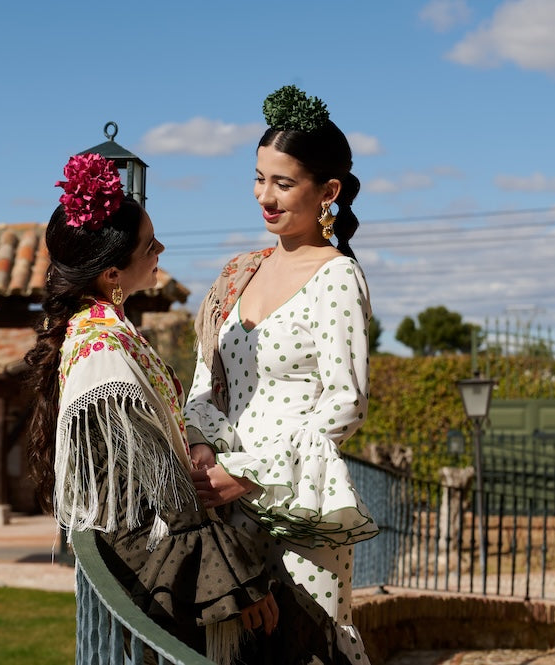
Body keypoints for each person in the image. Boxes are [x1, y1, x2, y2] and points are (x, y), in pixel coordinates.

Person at [24, 152, 347, 665]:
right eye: (150, 245)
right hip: (165, 580)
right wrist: (233, 587)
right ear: (112, 273)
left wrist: (197, 443)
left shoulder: (103, 335)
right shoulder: (103, 355)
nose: (161, 250)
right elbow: (141, 499)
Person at [184, 85, 380, 663]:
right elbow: (205, 377)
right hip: (220, 493)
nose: (264, 197)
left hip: (298, 502)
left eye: (283, 183)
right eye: (258, 178)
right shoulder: (240, 271)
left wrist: (247, 473)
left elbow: (346, 403)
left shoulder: (338, 276)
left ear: (329, 193)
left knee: (304, 643)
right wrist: (201, 448)